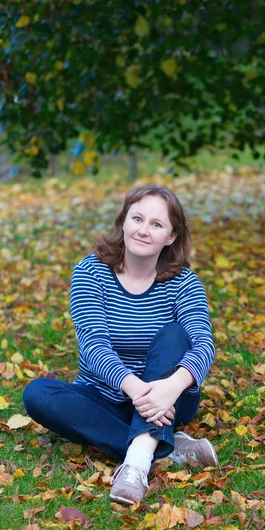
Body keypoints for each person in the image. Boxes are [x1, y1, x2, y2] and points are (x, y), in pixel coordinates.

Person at [23, 184, 218, 505]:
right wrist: (139, 392)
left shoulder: (184, 282)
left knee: (174, 335)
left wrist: (170, 388)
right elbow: (94, 348)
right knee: (38, 394)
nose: (143, 230)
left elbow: (203, 344)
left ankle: (138, 462)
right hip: (107, 396)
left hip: (171, 400)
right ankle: (165, 448)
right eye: (137, 218)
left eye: (156, 224)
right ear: (123, 221)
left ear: (171, 236)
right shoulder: (91, 272)